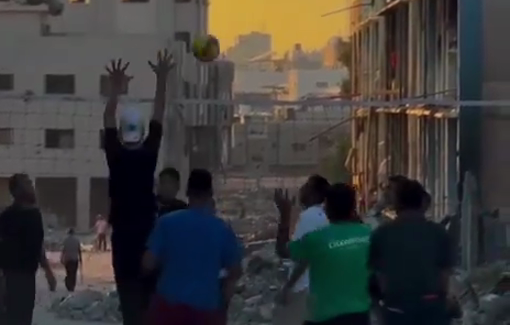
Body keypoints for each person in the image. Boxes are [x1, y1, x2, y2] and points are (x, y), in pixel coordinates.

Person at [103, 50, 175, 325]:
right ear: (142, 132)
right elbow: (159, 113)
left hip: (122, 240)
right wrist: (162, 79)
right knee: (150, 305)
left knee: (130, 306)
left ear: (121, 134)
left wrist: (115, 89)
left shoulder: (116, 156)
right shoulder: (148, 155)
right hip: (147, 238)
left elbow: (108, 117)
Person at [143, 169, 243, 325]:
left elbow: (148, 264)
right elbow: (235, 271)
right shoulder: (222, 229)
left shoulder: (166, 222)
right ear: (210, 194)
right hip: (205, 311)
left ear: (187, 192)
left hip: (167, 310)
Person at [368, 179, 454, 325]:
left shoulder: (381, 234)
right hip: (432, 310)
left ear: (396, 205)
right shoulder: (438, 233)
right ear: (422, 203)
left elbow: (380, 278)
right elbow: (444, 277)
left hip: (396, 311)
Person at [287, 183, 372, 325]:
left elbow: (284, 251)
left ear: (327, 207)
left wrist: (285, 216)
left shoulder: (316, 238)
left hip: (325, 317)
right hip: (360, 315)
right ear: (353, 207)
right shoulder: (368, 233)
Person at [273, 174, 330, 325]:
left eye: (306, 186)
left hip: (304, 289)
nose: (302, 189)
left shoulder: (309, 217)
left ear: (314, 194)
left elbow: (297, 255)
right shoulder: (321, 216)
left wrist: (288, 286)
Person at [0, 173, 57, 325]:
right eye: (27, 184)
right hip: (11, 278)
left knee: (24, 319)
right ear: (17, 191)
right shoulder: (7, 216)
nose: (32, 187)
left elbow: (37, 246)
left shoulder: (34, 215)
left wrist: (48, 272)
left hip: (27, 279)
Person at [61, 227, 82, 292]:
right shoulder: (77, 240)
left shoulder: (65, 240)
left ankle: (68, 285)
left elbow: (63, 250)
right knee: (74, 274)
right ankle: (72, 286)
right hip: (75, 259)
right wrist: (81, 259)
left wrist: (61, 258)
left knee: (69, 273)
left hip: (68, 259)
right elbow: (79, 250)